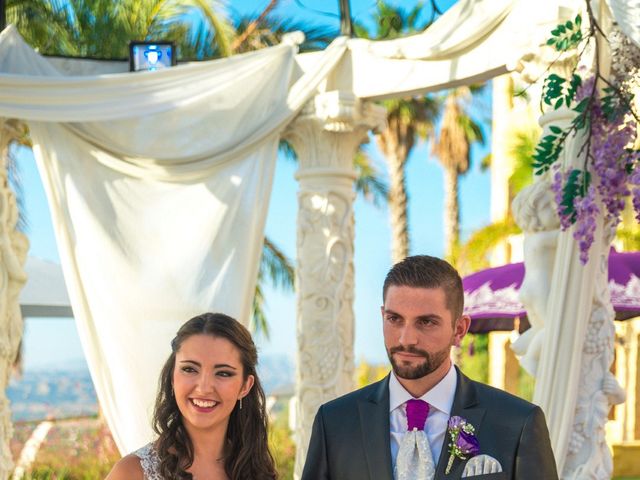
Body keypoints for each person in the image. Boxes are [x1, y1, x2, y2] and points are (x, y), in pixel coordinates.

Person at [302, 255, 558, 480]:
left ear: (459, 330)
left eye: (426, 322)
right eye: (394, 319)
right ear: (383, 316)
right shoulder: (334, 422)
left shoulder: (518, 423)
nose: (406, 339)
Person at [106, 312, 277, 480]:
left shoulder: (258, 471)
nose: (203, 388)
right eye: (190, 369)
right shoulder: (131, 473)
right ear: (172, 376)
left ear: (245, 386)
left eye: (223, 373)